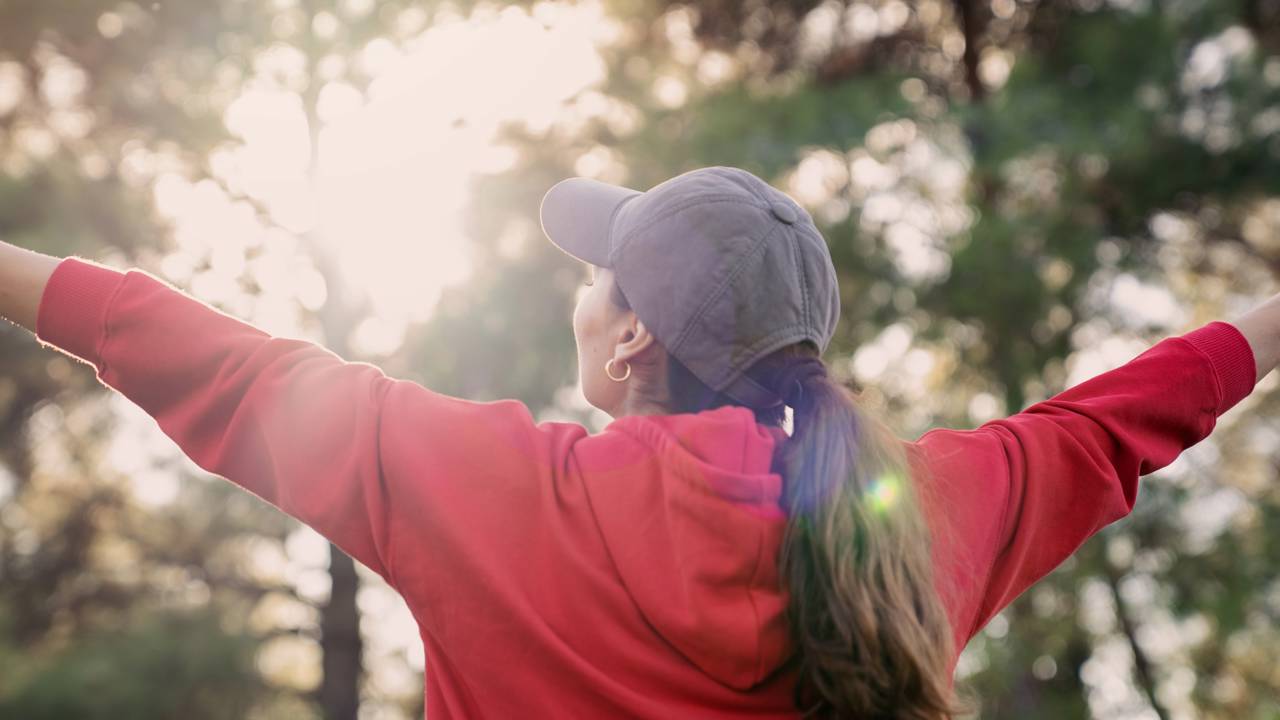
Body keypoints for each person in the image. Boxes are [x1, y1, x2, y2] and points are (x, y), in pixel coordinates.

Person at [0, 165, 1272, 719]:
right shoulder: (917, 518)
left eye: (596, 277)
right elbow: (1123, 415)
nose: (578, 293)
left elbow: (218, 361)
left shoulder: (497, 494)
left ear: (630, 344)